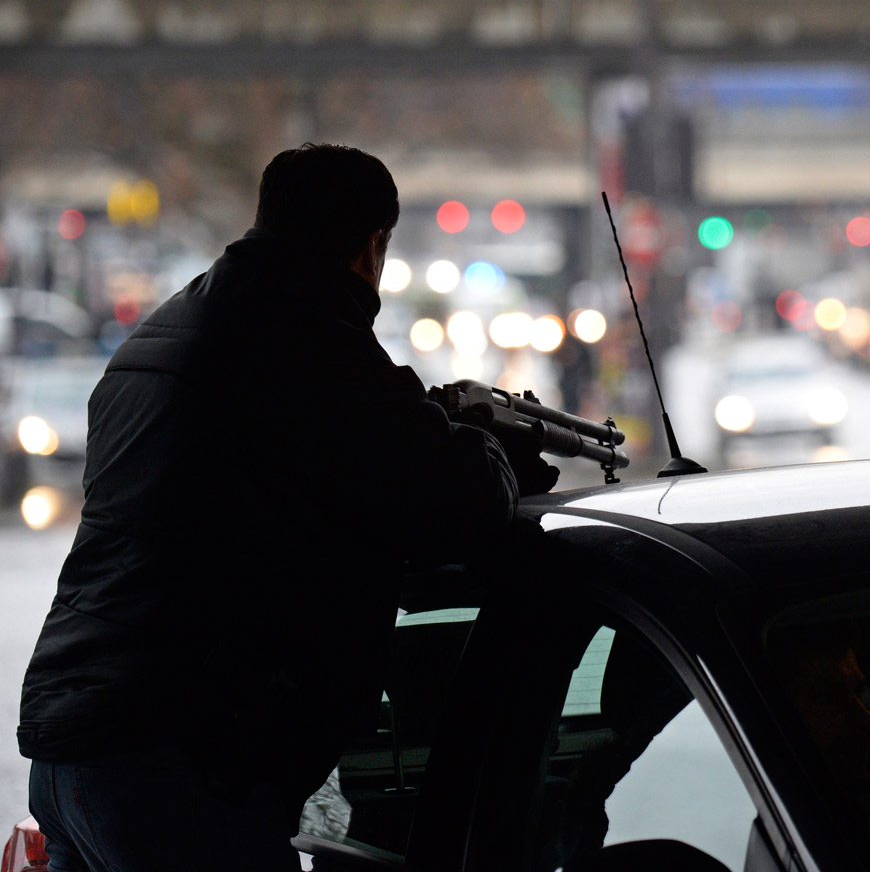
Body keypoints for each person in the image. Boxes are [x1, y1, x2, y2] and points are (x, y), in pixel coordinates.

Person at [16, 143, 556, 871]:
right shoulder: (302, 341)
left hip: (78, 742)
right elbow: (453, 500)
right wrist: (491, 446)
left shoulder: (172, 330)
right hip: (180, 762)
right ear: (373, 246)